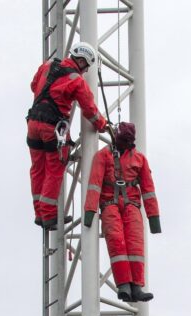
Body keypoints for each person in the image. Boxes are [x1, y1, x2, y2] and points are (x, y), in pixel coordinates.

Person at [26, 42, 110, 229]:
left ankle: (39, 214)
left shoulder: (46, 66)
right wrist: (102, 125)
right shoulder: (76, 80)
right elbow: (90, 110)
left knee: (37, 169)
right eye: (86, 66)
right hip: (52, 128)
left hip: (33, 124)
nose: (86, 71)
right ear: (81, 61)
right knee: (54, 169)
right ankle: (48, 216)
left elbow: (34, 86)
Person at [83, 122, 161, 302]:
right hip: (110, 204)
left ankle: (137, 286)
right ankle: (124, 285)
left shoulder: (139, 159)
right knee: (117, 242)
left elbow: (148, 190)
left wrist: (154, 218)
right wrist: (90, 211)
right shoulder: (103, 156)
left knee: (135, 244)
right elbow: (94, 185)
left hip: (132, 205)